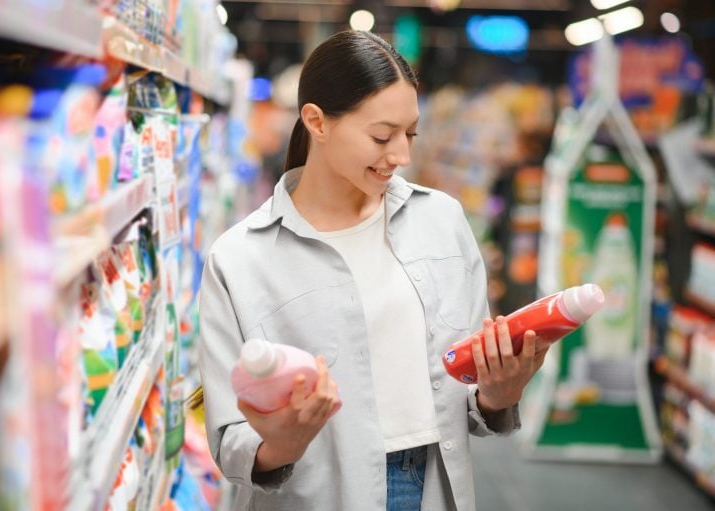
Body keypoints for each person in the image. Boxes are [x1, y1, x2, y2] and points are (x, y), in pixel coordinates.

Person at [198, 30, 549, 511]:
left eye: (411, 135)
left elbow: (468, 396)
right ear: (316, 122)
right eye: (382, 136)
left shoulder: (441, 222)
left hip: (431, 485)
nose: (402, 156)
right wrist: (281, 442)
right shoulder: (239, 259)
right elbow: (229, 441)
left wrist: (500, 391)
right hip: (313, 495)